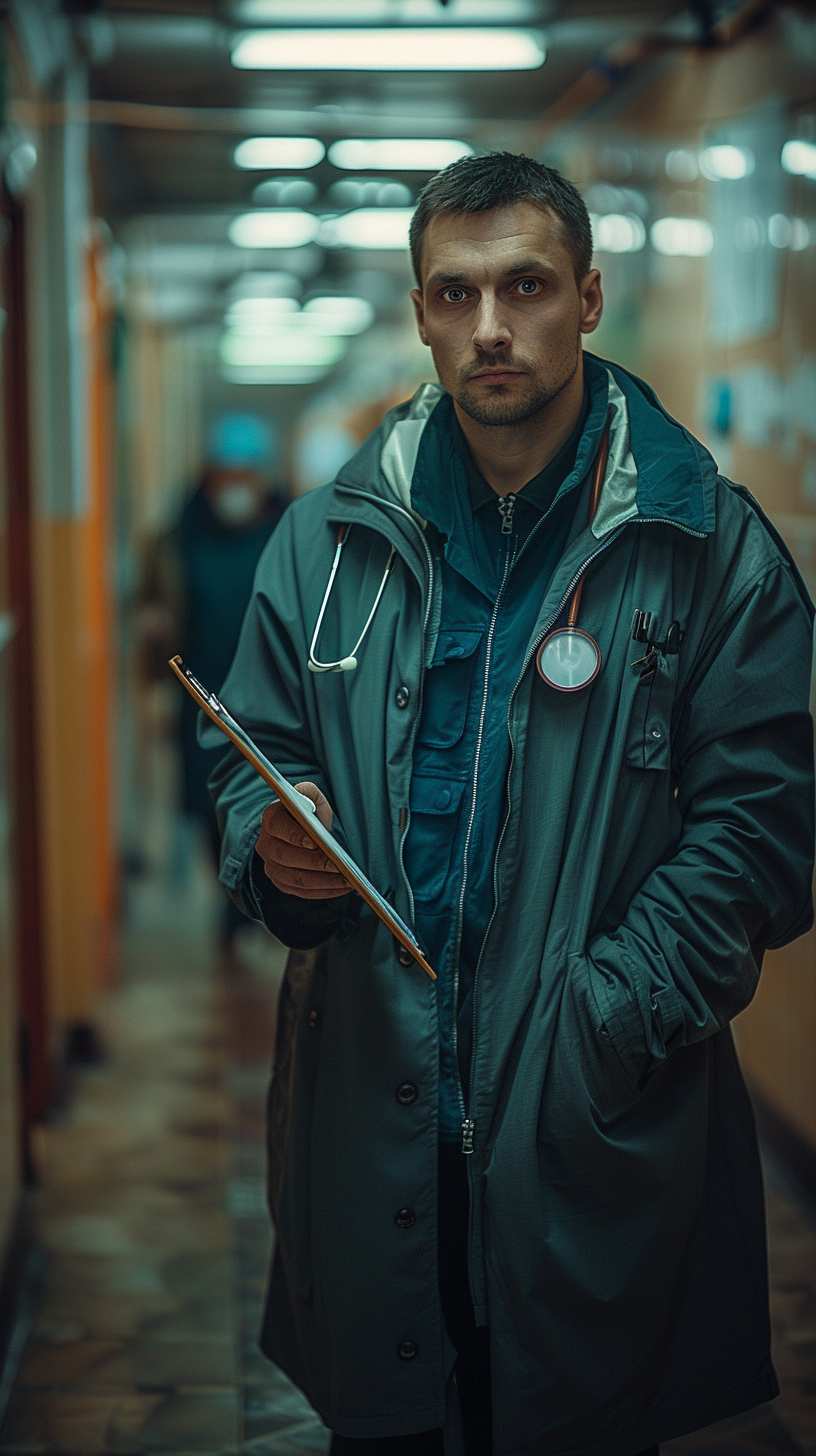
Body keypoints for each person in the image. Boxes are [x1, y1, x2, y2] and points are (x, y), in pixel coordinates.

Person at [203, 154, 815, 1455]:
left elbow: (761, 829)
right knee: (395, 1413)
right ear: (420, 313)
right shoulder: (328, 543)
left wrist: (605, 1021)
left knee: (579, 1413)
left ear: (588, 298)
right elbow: (249, 744)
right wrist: (267, 840)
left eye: (525, 286)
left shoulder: (707, 547)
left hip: (593, 1106)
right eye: (457, 292)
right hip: (373, 1099)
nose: (491, 327)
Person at [137, 412, 287, 946]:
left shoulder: (292, 532)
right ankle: (231, 901)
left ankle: (260, 899)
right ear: (208, 475)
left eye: (246, 475)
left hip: (274, 699)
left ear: (263, 477)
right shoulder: (179, 536)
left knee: (275, 800)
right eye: (225, 474)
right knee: (208, 807)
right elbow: (152, 603)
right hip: (201, 699)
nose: (235, 487)